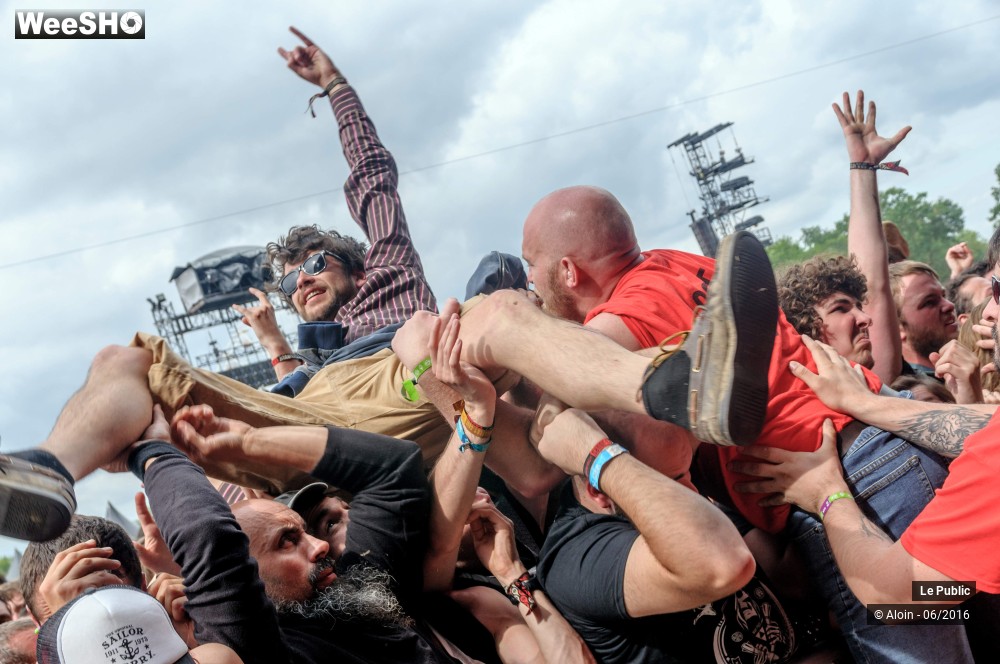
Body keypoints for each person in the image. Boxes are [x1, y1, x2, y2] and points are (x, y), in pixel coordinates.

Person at [889, 260, 959, 375]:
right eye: (929, 302)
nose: (949, 305)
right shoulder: (908, 391)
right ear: (897, 327)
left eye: (944, 295)